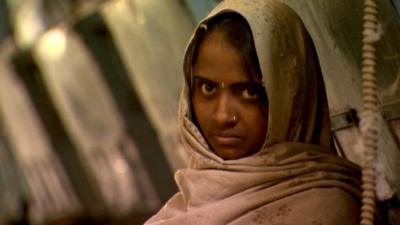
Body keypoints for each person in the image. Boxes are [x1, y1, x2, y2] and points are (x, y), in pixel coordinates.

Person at [144, 0, 362, 224]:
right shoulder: (179, 210)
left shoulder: (325, 208)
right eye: (207, 88)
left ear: (292, 96)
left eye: (250, 92)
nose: (223, 116)